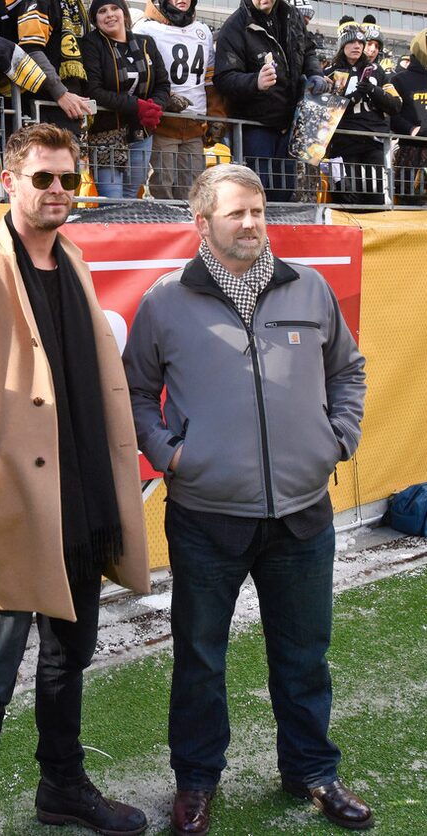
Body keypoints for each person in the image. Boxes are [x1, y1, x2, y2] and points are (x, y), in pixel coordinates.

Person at [0, 123, 151, 836]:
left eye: (67, 179)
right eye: (42, 178)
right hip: (16, 509)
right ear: (7, 181)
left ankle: (63, 789)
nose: (57, 191)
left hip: (84, 507)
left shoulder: (75, 262)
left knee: (66, 664)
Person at [123, 165, 372, 836]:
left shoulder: (310, 288)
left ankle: (313, 771)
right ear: (201, 224)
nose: (252, 222)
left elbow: (348, 368)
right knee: (200, 659)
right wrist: (172, 455)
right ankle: (197, 782)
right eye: (236, 213)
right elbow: (137, 393)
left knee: (304, 654)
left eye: (259, 210)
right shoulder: (164, 301)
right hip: (207, 516)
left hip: (302, 511)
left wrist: (337, 440)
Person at [214, 0, 329, 201]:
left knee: (284, 193)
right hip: (255, 128)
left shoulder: (292, 16)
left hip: (291, 125)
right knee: (257, 194)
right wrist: (254, 82)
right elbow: (223, 79)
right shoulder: (234, 28)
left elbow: (308, 50)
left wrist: (316, 73)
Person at [134, 0, 222, 199]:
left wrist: (215, 115)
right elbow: (140, 76)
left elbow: (209, 80)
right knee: (161, 187)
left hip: (194, 126)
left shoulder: (203, 32)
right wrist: (164, 99)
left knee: (193, 191)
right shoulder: (145, 29)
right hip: (163, 124)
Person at [81, 0, 170, 199]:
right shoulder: (91, 44)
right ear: (95, 19)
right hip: (106, 135)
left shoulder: (146, 43)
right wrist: (138, 106)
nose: (110, 14)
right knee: (112, 200)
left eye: (114, 8)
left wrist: (155, 107)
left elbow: (163, 84)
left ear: (124, 13)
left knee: (132, 198)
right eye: (102, 11)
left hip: (141, 133)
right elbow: (94, 90)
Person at [17, 0, 94, 132]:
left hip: (70, 114)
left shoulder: (78, 6)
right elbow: (30, 48)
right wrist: (60, 93)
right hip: (43, 111)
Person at [324, 17, 400, 206]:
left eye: (360, 42)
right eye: (351, 41)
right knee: (346, 197)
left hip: (372, 143)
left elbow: (396, 105)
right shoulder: (330, 72)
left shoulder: (376, 71)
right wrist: (353, 96)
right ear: (342, 44)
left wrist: (373, 90)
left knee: (376, 198)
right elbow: (326, 111)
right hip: (342, 145)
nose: (357, 46)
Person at [390, 29, 427, 202]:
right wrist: (410, 129)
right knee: (410, 202)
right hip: (411, 153)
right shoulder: (400, 80)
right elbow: (392, 115)